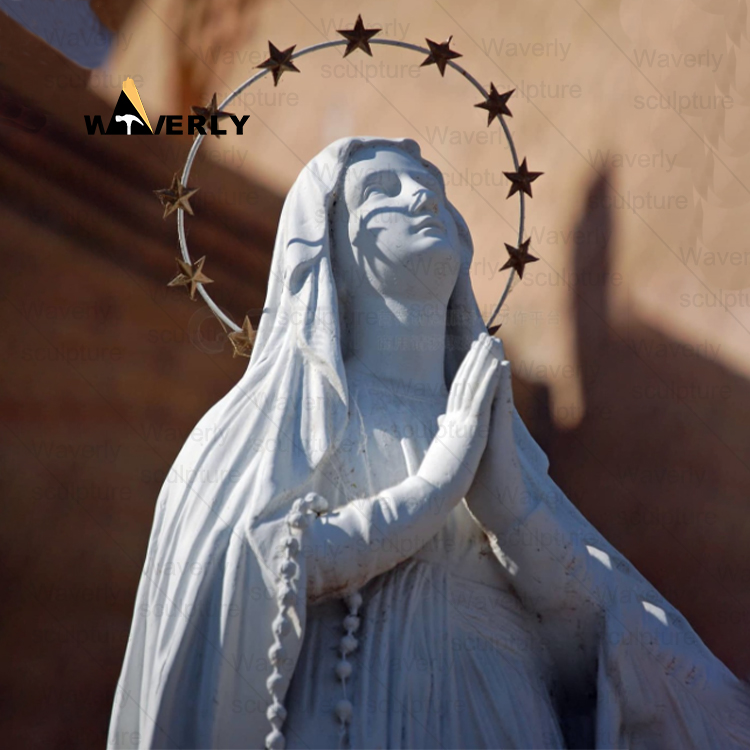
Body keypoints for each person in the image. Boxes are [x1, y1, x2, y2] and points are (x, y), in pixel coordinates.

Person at [108, 137, 750, 749]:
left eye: (434, 188)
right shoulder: (278, 422)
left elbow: (599, 640)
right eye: (382, 190)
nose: (423, 199)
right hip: (356, 712)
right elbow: (243, 571)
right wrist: (433, 489)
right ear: (329, 240)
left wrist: (514, 515)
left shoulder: (497, 434)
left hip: (509, 717)